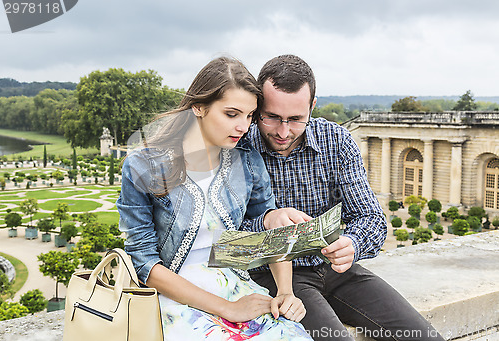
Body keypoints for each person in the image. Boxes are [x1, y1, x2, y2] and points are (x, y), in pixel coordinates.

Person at [242, 54, 445, 341]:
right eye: (272, 117)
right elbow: (223, 242)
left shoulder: (336, 140)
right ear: (258, 106)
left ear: (312, 106)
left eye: (297, 119)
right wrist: (265, 222)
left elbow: (372, 219)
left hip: (338, 270)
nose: (283, 131)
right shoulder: (238, 147)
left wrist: (352, 244)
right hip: (277, 280)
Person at [116, 56, 312, 340]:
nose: (243, 127)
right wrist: (228, 309)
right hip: (174, 295)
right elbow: (144, 263)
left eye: (249, 116)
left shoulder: (247, 162)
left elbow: (272, 233)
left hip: (236, 285)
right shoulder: (143, 165)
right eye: (232, 114)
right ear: (199, 106)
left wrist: (285, 293)